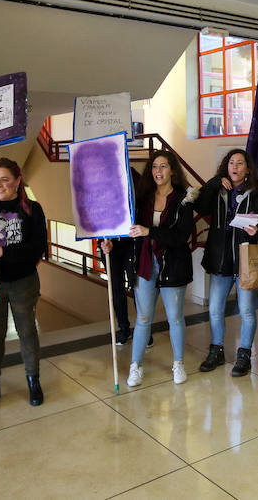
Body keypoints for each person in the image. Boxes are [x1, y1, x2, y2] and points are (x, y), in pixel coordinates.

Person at [101, 151, 196, 387]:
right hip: (145, 263)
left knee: (175, 318)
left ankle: (178, 363)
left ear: (172, 170)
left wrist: (149, 231)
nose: (158, 171)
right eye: (154, 167)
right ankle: (136, 366)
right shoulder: (143, 198)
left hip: (172, 265)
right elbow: (132, 229)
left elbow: (181, 236)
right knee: (143, 318)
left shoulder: (183, 199)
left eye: (163, 166)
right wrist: (113, 242)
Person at [0, 158, 47, 411]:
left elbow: (38, 248)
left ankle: (33, 380)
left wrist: (5, 253)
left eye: (4, 179)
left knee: (27, 332)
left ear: (17, 180)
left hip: (24, 281)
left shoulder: (32, 209)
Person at [194, 149, 258, 376]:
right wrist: (212, 182)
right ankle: (217, 350)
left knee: (247, 310)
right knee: (214, 309)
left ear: (248, 169)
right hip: (220, 261)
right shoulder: (217, 190)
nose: (235, 167)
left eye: (240, 163)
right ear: (226, 167)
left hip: (246, 261)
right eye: (231, 162)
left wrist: (257, 231)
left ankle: (244, 354)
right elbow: (198, 206)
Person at [107, 168, 152, 348]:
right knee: (116, 289)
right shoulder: (101, 176)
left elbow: (144, 200)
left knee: (136, 286)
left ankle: (144, 330)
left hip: (131, 241)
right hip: (109, 243)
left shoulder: (132, 174)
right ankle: (123, 328)